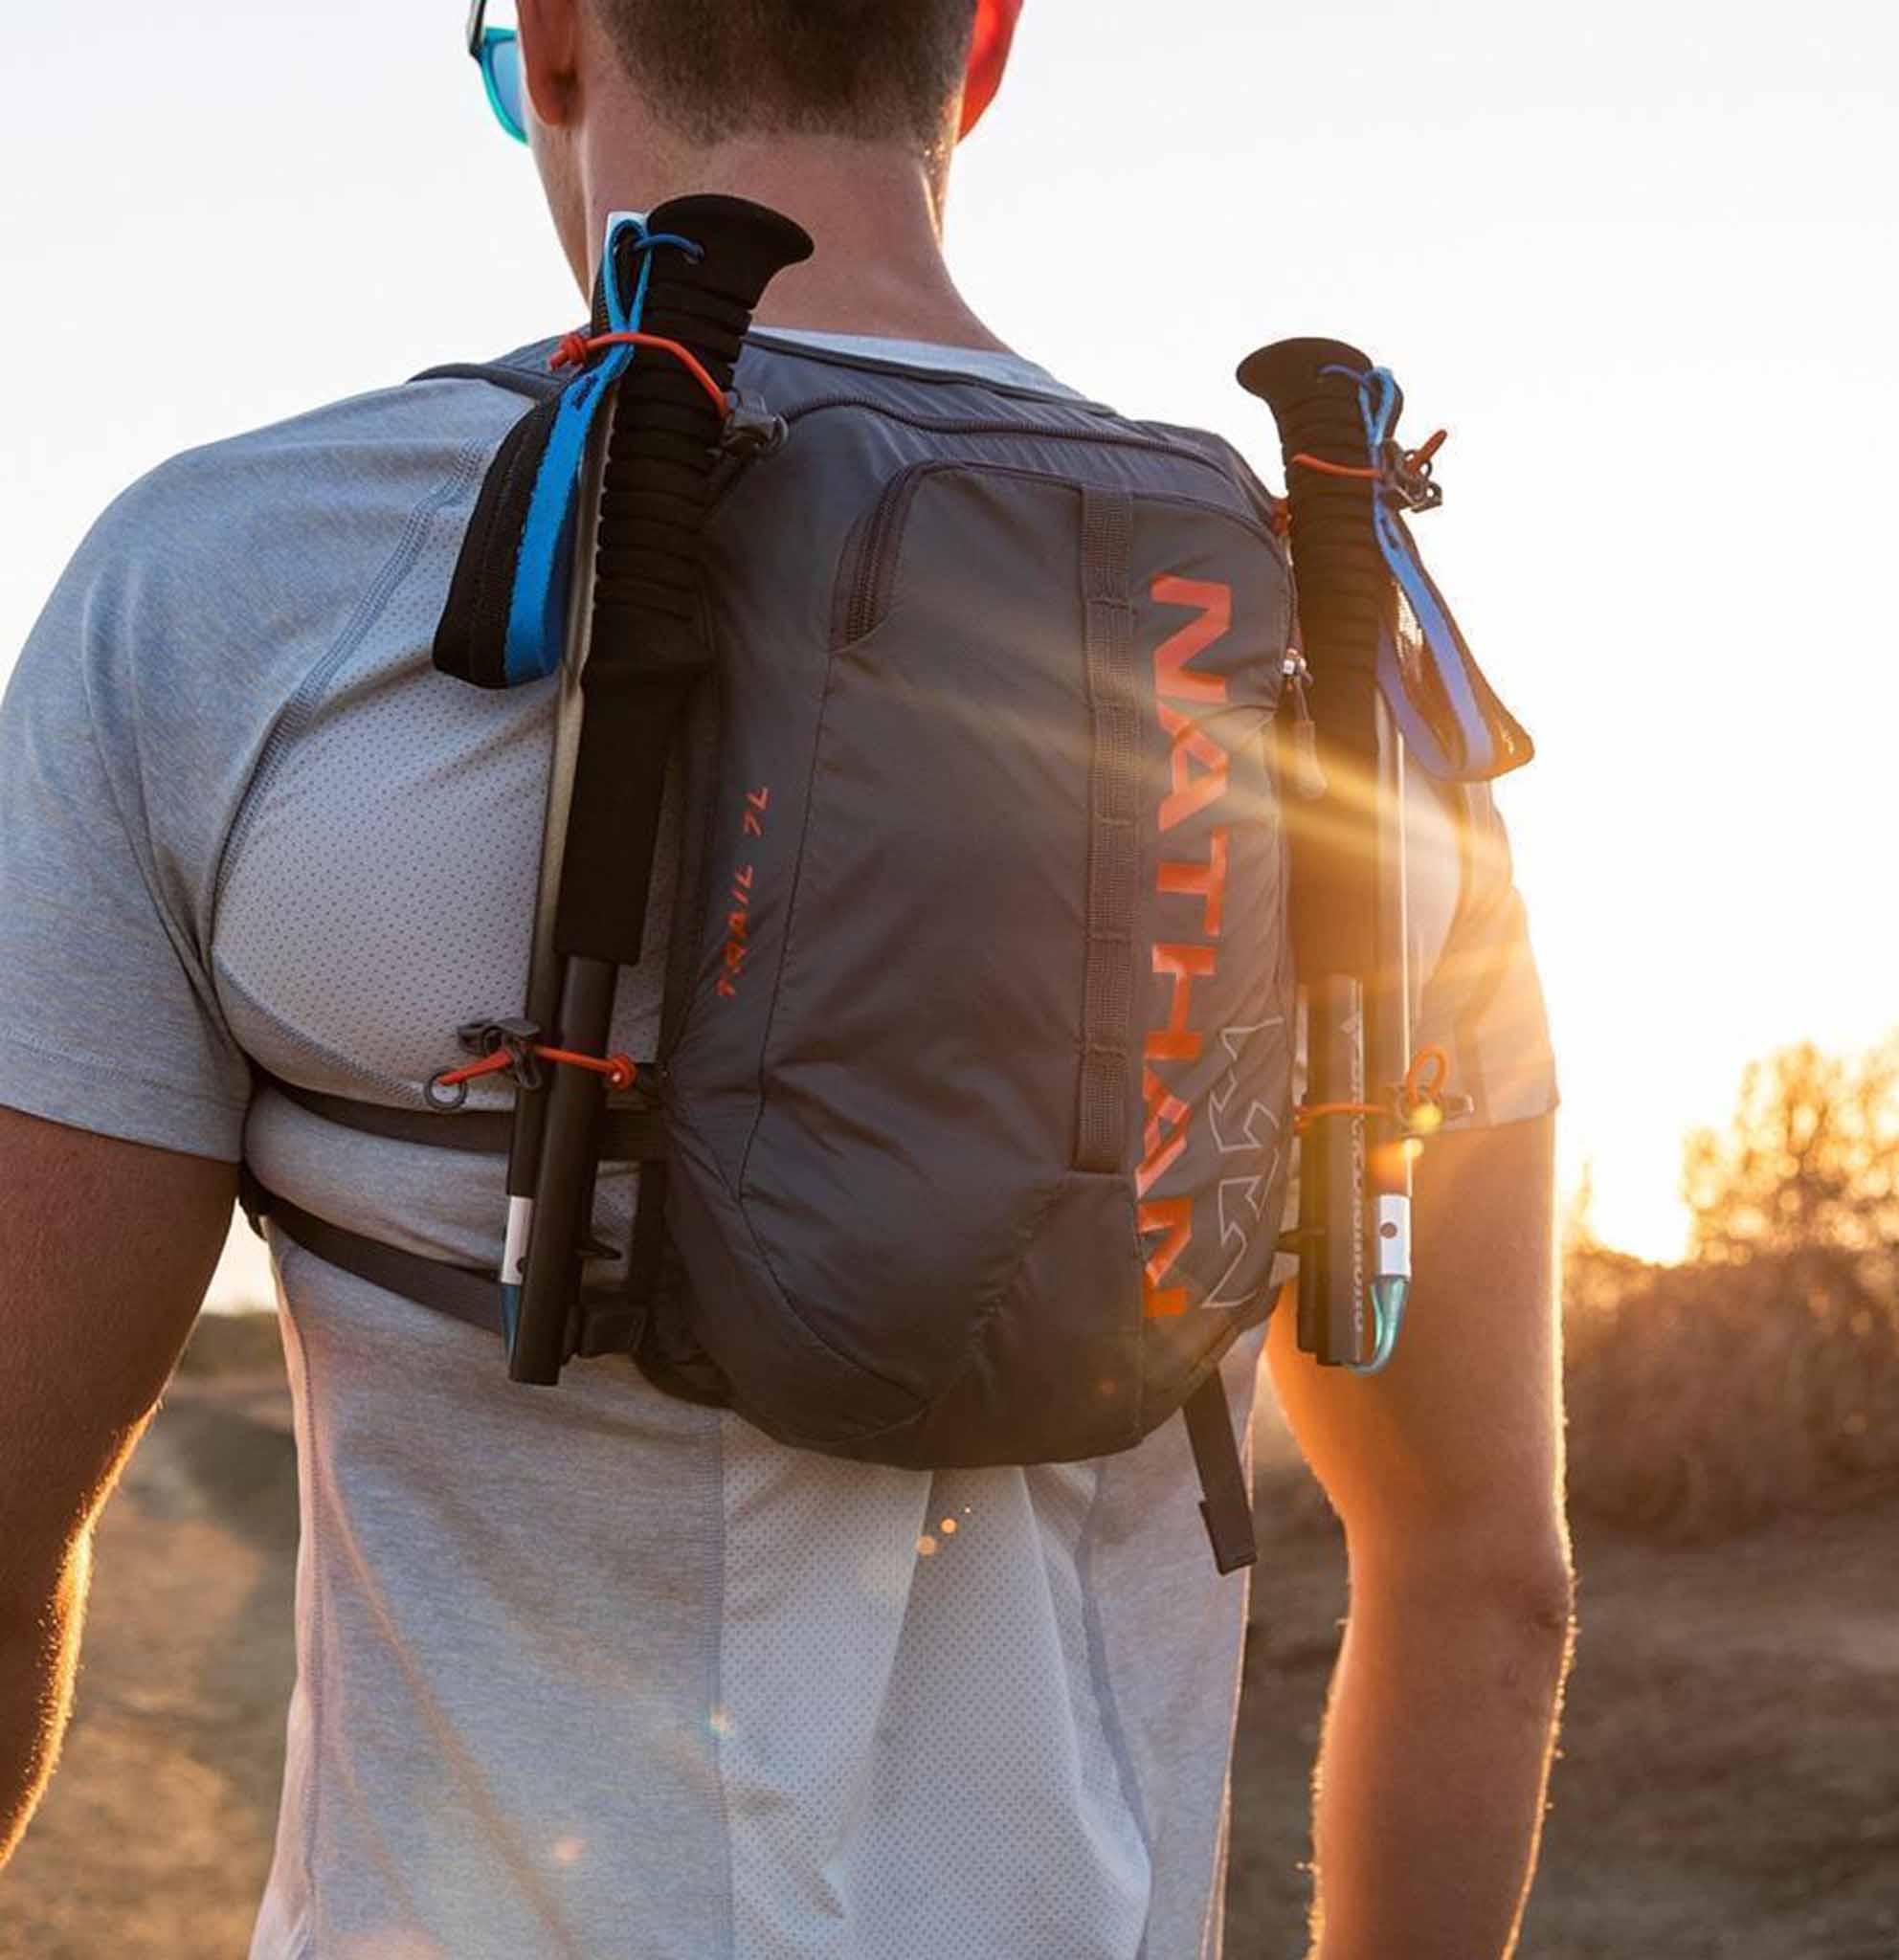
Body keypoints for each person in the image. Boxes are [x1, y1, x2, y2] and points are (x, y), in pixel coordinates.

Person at [0, 3, 1573, 1953]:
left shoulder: (234, 585)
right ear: (976, 53)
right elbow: (1484, 1581)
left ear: (558, 47)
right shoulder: (1355, 682)